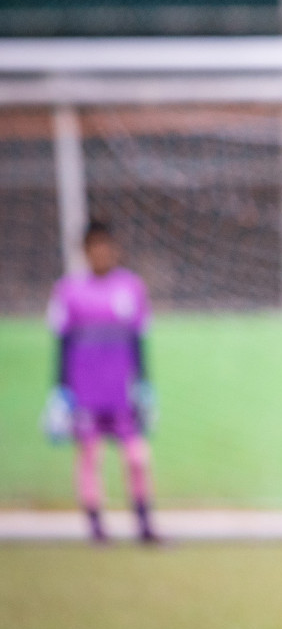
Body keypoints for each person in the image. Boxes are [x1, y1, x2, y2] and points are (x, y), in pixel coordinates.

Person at [44, 220, 160, 544]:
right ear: (85, 251)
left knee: (137, 457)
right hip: (85, 392)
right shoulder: (68, 291)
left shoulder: (131, 288)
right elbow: (62, 343)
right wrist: (60, 389)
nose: (101, 252)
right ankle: (96, 527)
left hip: (122, 391)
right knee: (90, 458)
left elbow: (139, 339)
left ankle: (144, 522)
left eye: (106, 245)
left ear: (115, 249)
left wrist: (145, 384)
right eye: (94, 246)